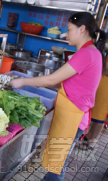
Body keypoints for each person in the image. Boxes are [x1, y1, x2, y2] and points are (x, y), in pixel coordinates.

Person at [9, 12, 107, 181]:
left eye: (69, 30)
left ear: (82, 29)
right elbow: (60, 82)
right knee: (57, 163)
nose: (66, 34)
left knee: (57, 167)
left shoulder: (86, 54)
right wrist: (33, 82)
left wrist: (22, 82)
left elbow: (53, 79)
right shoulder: (93, 52)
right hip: (75, 115)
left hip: (73, 117)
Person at [78, 59, 108, 150]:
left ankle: (91, 141)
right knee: (95, 109)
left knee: (100, 113)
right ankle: (89, 134)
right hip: (102, 81)